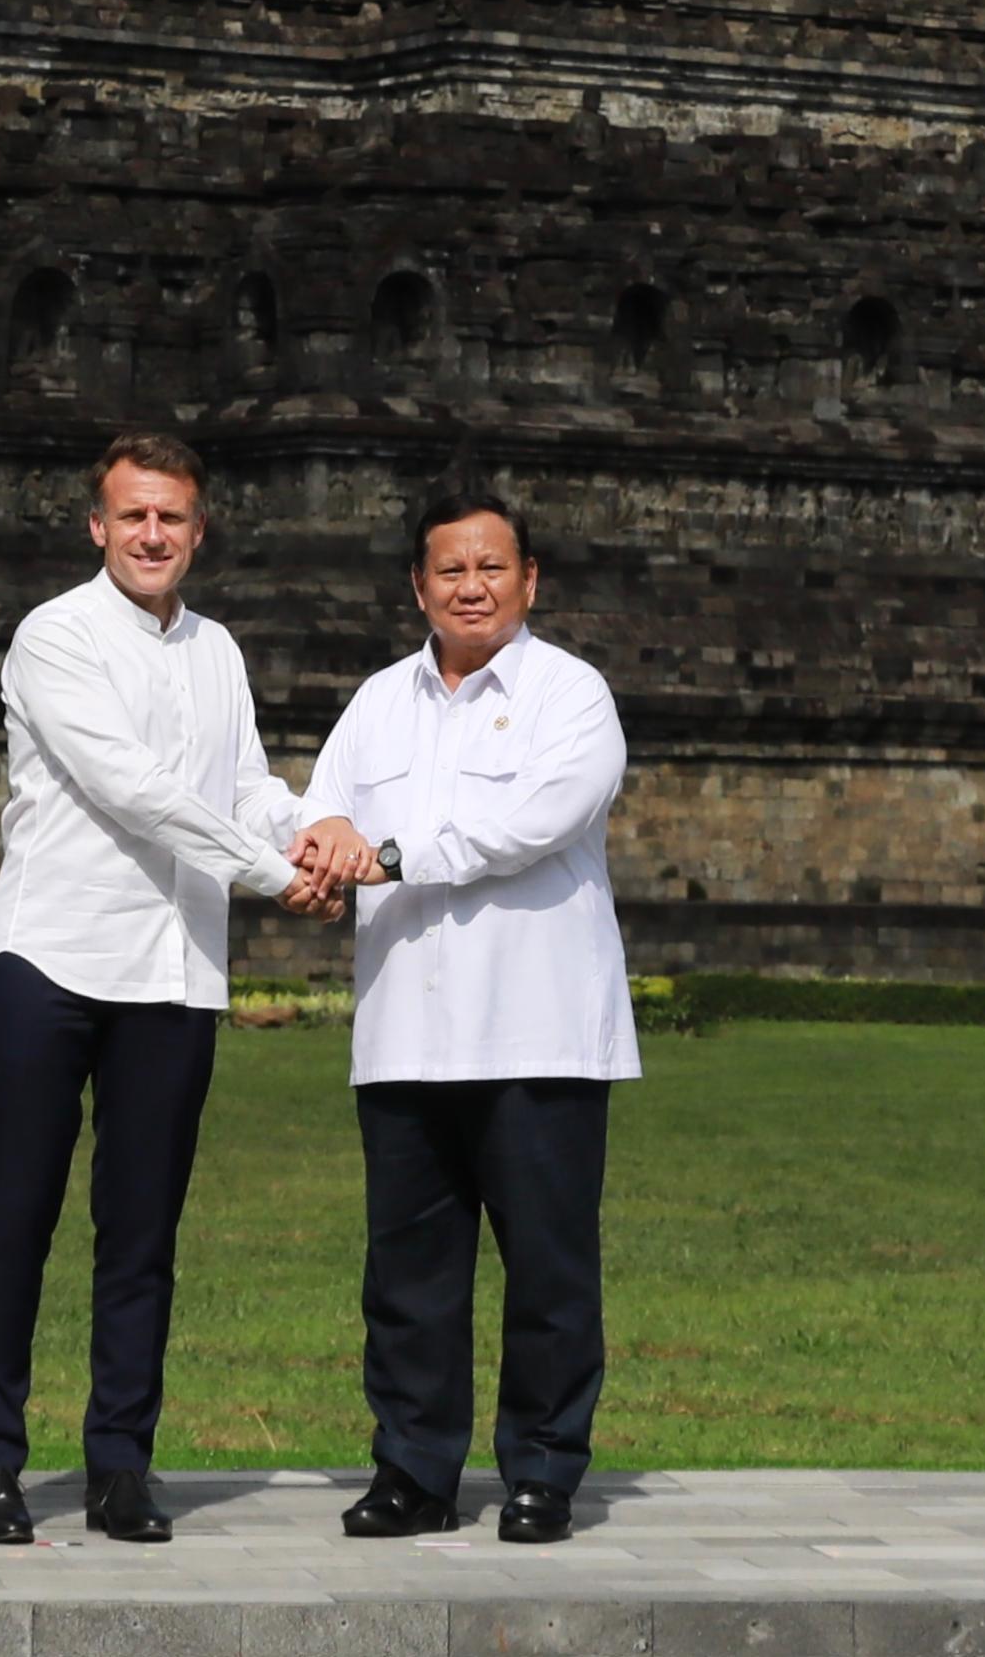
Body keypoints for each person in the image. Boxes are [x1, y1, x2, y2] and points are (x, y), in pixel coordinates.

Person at [0, 431, 312, 1548]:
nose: (152, 535)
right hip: (50, 960)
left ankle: (120, 1463)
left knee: (142, 1230)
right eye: (133, 516)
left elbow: (245, 783)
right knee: (17, 1213)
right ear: (97, 527)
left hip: (170, 968)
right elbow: (133, 788)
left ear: (197, 532)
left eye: (172, 518)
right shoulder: (53, 636)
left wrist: (320, 836)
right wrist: (273, 875)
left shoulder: (218, 651)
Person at [286, 489, 637, 1547]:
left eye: (491, 567)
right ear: (416, 586)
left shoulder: (570, 696)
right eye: (449, 570)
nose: (470, 586)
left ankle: (539, 1470)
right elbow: (322, 804)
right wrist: (322, 844)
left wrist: (383, 855)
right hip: (403, 1031)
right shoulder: (378, 701)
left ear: (530, 580)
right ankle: (411, 1469)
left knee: (546, 1267)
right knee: (407, 1275)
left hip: (536, 1031)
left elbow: (527, 822)